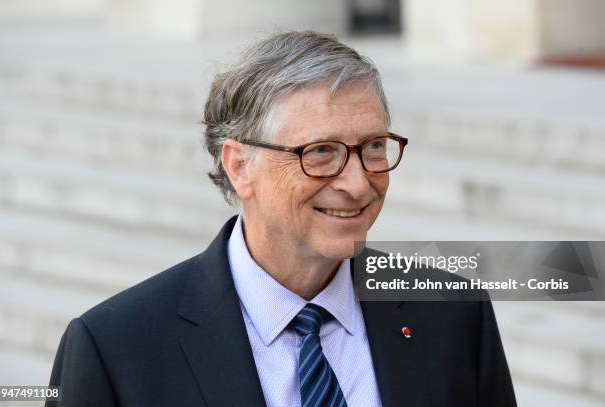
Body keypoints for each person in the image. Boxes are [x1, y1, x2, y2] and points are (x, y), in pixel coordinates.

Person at [46, 31, 516, 407]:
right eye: (321, 152)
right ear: (239, 166)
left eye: (372, 146)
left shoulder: (453, 313)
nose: (357, 183)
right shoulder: (115, 348)